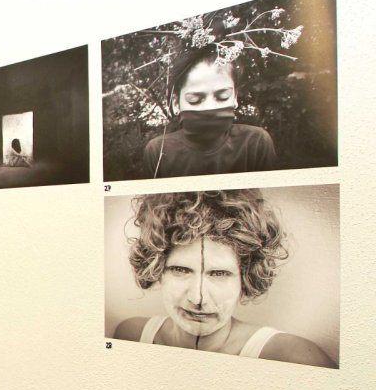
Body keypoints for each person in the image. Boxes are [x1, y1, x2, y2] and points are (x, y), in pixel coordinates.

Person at [113, 190, 335, 367]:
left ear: (245, 279)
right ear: (156, 269)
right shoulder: (131, 334)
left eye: (219, 273)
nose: (198, 299)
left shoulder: (294, 357)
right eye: (180, 270)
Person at [142, 46, 276, 179]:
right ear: (176, 103)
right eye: (195, 99)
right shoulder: (158, 151)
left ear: (235, 97)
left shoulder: (256, 143)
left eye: (222, 97)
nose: (210, 107)